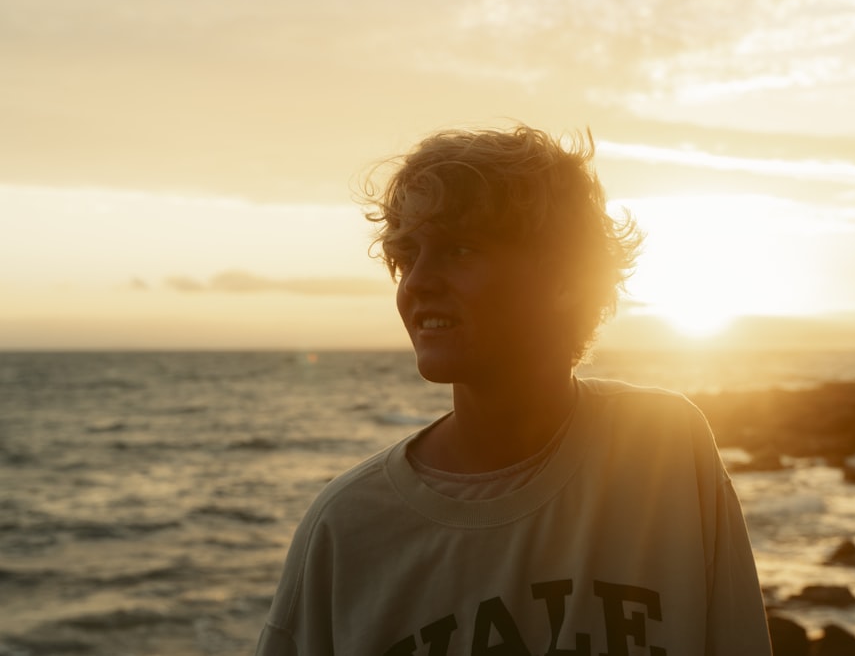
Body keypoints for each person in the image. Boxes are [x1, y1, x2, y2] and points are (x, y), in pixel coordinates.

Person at [255, 125, 772, 655]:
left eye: (459, 249)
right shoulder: (347, 528)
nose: (418, 282)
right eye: (408, 256)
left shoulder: (664, 451)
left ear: (566, 277)